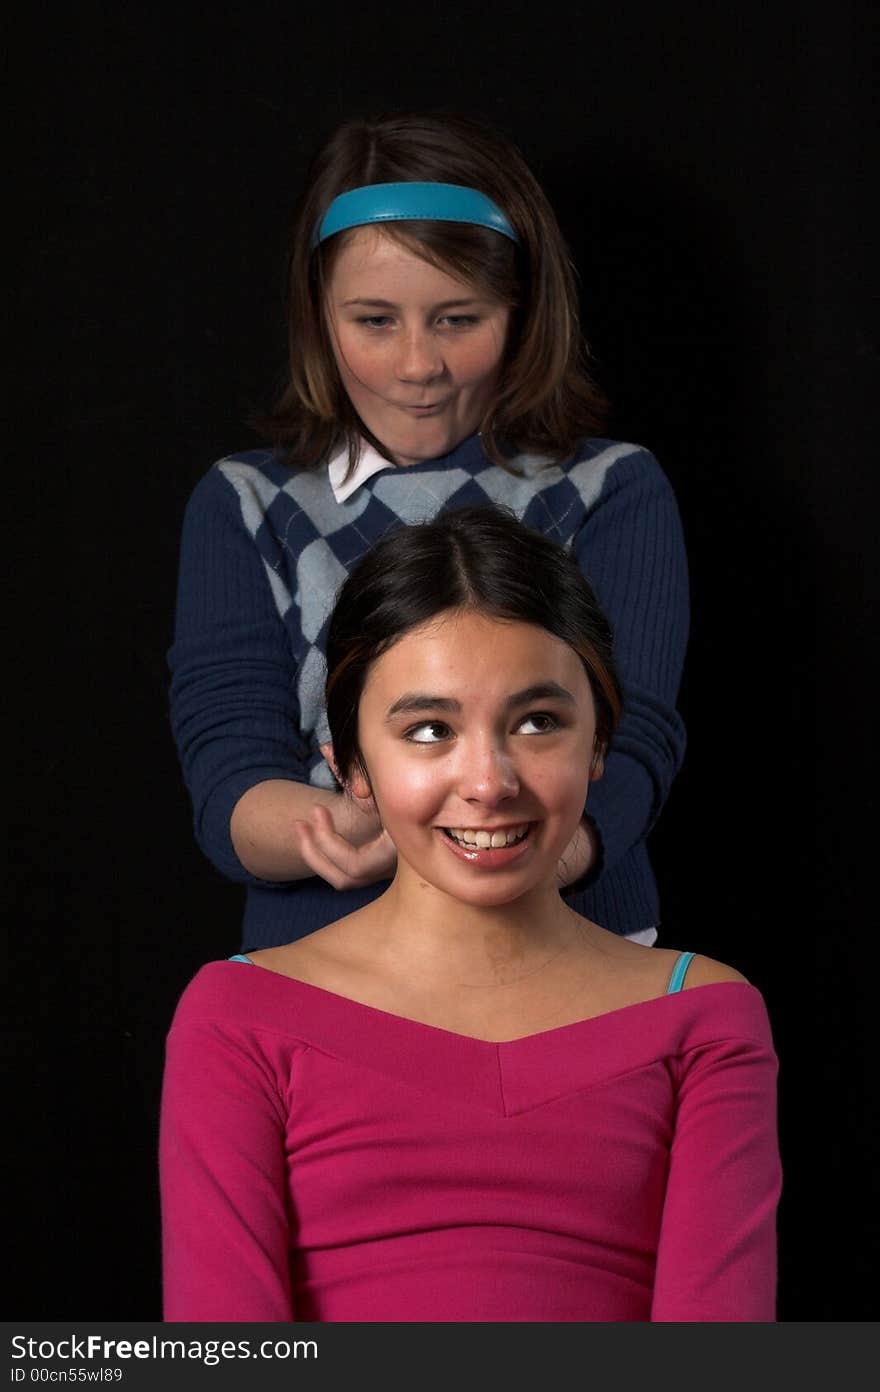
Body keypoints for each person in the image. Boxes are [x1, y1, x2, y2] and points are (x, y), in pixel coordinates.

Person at [160, 508, 780, 1322]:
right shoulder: (236, 1019)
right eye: (428, 730)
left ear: (599, 744)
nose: (489, 782)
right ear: (349, 765)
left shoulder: (702, 1017)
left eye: (537, 723)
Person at [168, 110, 689, 953]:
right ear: (318, 312)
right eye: (374, 321)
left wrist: (545, 852)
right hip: (336, 953)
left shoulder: (609, 489)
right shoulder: (247, 502)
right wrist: (338, 827)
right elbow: (229, 767)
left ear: (521, 309)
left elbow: (635, 735)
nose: (417, 366)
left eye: (458, 319)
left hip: (576, 947)